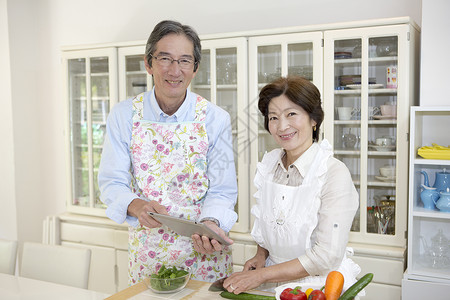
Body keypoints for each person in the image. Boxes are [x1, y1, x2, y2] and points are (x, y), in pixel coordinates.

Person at [98, 20, 238, 284]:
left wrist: (211, 223)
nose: (175, 70)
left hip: (203, 252)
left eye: (185, 61)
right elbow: (111, 182)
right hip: (148, 252)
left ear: (195, 68)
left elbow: (223, 189)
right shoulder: (124, 115)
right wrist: (135, 204)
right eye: (165, 58)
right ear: (148, 63)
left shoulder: (215, 118)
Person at [223, 76, 361, 294]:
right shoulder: (269, 165)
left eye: (292, 114)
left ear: (314, 119)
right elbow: (273, 222)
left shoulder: (333, 173)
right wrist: (261, 256)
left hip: (318, 288)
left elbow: (326, 256)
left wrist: (261, 275)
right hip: (271, 284)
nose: (282, 126)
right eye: (274, 117)